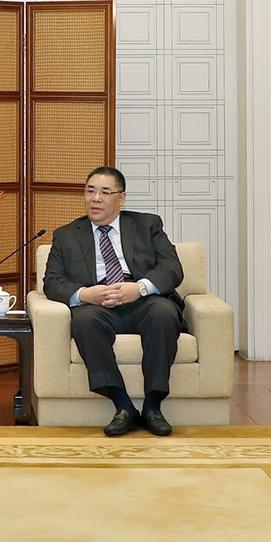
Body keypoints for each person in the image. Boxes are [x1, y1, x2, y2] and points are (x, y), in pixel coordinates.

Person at [41, 166, 185, 437]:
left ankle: (153, 406)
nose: (95, 198)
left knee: (164, 313)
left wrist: (139, 288)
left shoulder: (148, 225)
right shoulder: (66, 235)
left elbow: (172, 268)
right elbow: (52, 282)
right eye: (90, 191)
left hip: (143, 299)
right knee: (84, 321)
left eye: (105, 192)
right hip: (99, 304)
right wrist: (86, 294)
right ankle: (123, 406)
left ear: (122, 198)